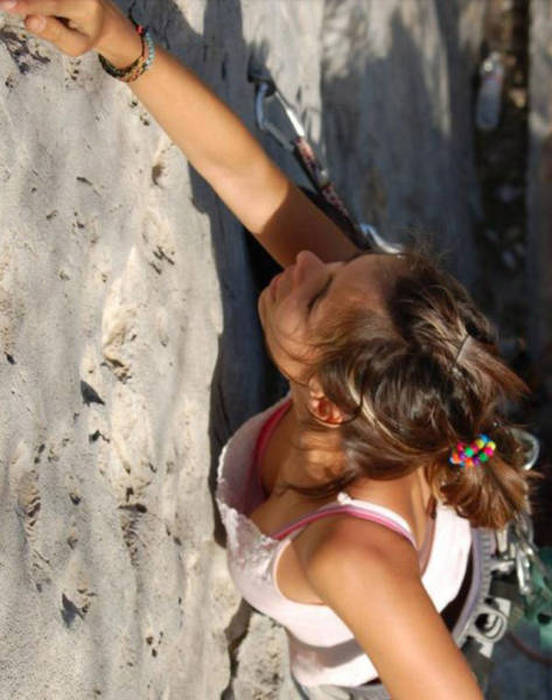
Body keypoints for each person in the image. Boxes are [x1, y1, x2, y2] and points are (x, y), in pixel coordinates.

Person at [2, 2, 533, 697]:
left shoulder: (354, 558)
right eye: (342, 267)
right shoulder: (375, 350)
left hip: (394, 642)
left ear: (328, 403)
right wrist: (116, 39)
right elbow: (250, 182)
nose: (307, 263)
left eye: (317, 294)